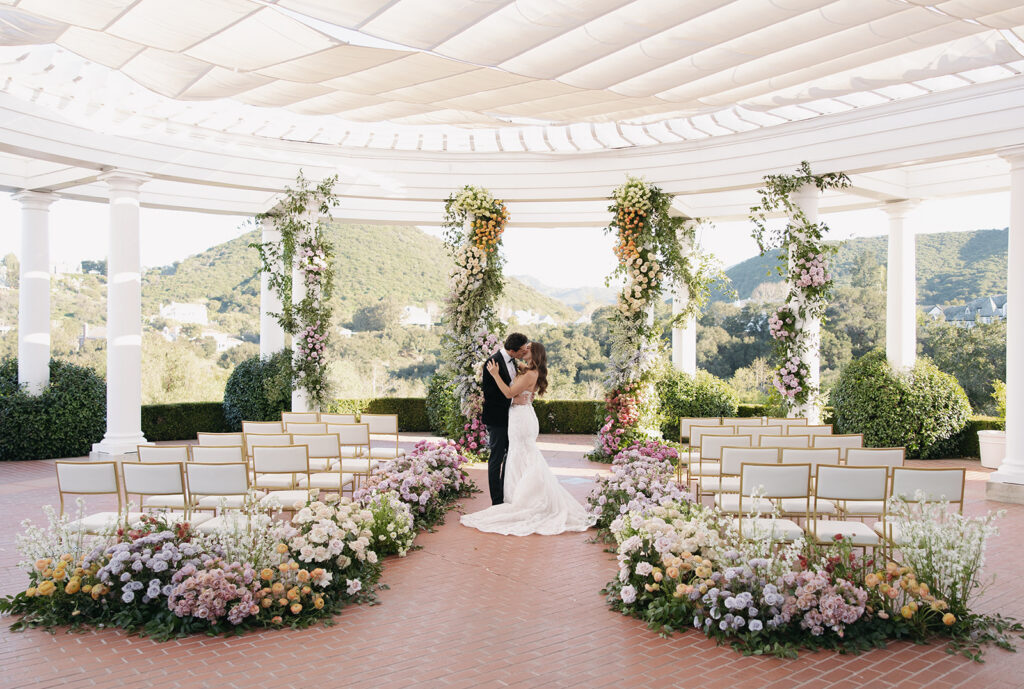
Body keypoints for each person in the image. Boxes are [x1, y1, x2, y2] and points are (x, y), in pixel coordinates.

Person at [461, 342, 596, 536]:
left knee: (521, 454)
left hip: (521, 418)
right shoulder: (528, 370)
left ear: (534, 354)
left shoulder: (531, 374)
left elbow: (508, 393)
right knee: (518, 455)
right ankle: (517, 496)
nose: (524, 351)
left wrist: (495, 375)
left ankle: (526, 500)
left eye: (528, 349)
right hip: (520, 415)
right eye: (523, 348)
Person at [480, 332, 529, 505]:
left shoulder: (514, 361)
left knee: (511, 456)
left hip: (512, 419)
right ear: (513, 350)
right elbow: (490, 395)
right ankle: (496, 501)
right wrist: (512, 399)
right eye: (522, 351)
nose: (524, 353)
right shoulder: (492, 362)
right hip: (497, 419)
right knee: (496, 459)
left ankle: (507, 493)